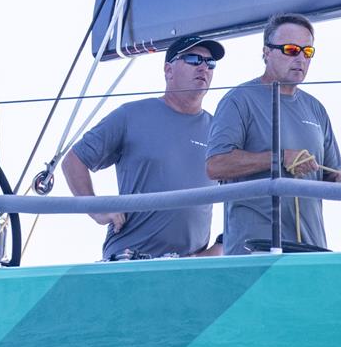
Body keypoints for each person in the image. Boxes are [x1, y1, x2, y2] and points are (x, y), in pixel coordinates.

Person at [206, 13, 341, 255]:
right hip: (255, 252)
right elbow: (216, 165)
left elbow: (329, 177)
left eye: (307, 52)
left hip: (312, 250)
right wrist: (279, 158)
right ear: (266, 52)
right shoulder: (239, 100)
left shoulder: (316, 109)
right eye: (291, 50)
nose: (300, 58)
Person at [61, 35, 226, 259]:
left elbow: (245, 195)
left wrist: (219, 247)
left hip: (190, 268)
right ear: (168, 70)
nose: (204, 67)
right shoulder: (130, 115)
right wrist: (97, 209)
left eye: (210, 63)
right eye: (193, 59)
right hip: (130, 261)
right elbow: (74, 160)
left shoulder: (219, 131)